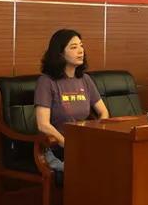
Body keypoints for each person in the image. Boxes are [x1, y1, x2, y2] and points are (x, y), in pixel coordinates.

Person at [34, 29, 109, 172]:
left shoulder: (85, 79)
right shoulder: (46, 82)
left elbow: (103, 112)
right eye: (74, 47)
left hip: (83, 144)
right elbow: (43, 124)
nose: (81, 51)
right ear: (60, 53)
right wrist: (67, 144)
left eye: (81, 46)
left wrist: (97, 135)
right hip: (56, 148)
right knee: (89, 169)